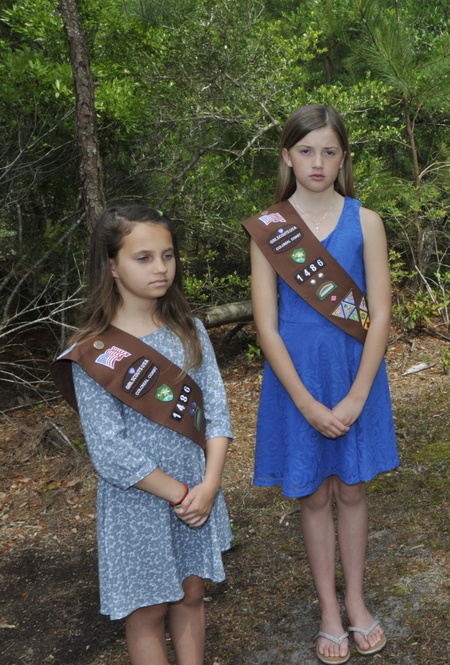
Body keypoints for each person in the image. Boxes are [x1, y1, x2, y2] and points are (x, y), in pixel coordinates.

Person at [248, 104, 399, 664]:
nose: (318, 162)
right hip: (297, 379)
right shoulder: (269, 229)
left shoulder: (367, 222)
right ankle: (329, 611)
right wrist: (306, 402)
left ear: (343, 159)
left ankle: (356, 601)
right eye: (306, 151)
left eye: (329, 152)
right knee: (313, 494)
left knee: (353, 488)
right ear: (287, 156)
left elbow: (380, 314)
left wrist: (358, 395)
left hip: (356, 371)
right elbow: (266, 326)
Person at [52, 205, 232, 664]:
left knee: (192, 594)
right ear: (112, 265)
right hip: (137, 502)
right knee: (147, 611)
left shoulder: (189, 330)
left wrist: (209, 485)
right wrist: (180, 495)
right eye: (144, 258)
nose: (160, 268)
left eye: (167, 255)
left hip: (198, 489)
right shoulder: (93, 350)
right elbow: (108, 448)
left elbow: (216, 412)